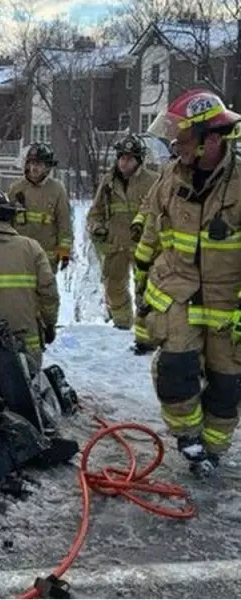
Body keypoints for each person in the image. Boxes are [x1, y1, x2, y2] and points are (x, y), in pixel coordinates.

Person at [134, 87, 241, 478]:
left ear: (210, 139)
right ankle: (189, 439)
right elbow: (152, 229)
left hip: (227, 306)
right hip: (176, 292)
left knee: (227, 386)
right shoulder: (170, 176)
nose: (175, 143)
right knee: (174, 371)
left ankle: (213, 449)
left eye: (182, 135)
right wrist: (141, 282)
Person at [0, 190, 60, 371]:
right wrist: (50, 324)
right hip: (27, 342)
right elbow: (49, 292)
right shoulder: (32, 247)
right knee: (30, 385)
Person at [86, 134, 159, 353]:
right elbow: (95, 212)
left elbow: (160, 212)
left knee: (145, 289)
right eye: (121, 157)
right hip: (115, 244)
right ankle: (121, 325)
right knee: (114, 286)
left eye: (129, 158)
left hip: (143, 246)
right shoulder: (108, 182)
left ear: (138, 160)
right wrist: (97, 227)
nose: (124, 162)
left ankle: (145, 332)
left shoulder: (153, 181)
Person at [7, 143, 73, 273]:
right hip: (20, 256)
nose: (34, 167)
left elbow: (64, 223)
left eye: (39, 164)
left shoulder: (57, 190)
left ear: (47, 167)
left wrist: (64, 250)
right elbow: (7, 222)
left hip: (47, 258)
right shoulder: (16, 188)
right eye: (31, 163)